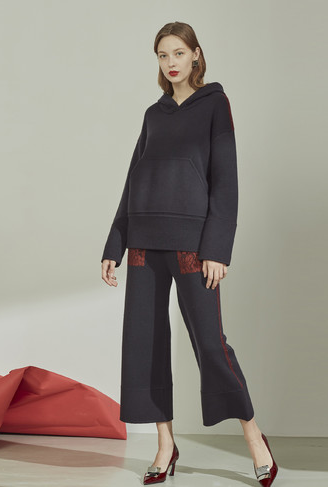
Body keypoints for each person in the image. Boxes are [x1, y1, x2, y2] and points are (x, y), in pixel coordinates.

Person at [100, 22, 279, 486]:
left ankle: (254, 437)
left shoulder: (215, 104)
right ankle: (165, 444)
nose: (171, 62)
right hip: (144, 242)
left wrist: (217, 248)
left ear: (196, 54)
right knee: (144, 344)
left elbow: (226, 180)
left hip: (192, 246)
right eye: (163, 55)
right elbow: (134, 178)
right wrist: (115, 243)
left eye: (178, 53)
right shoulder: (153, 114)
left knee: (210, 342)